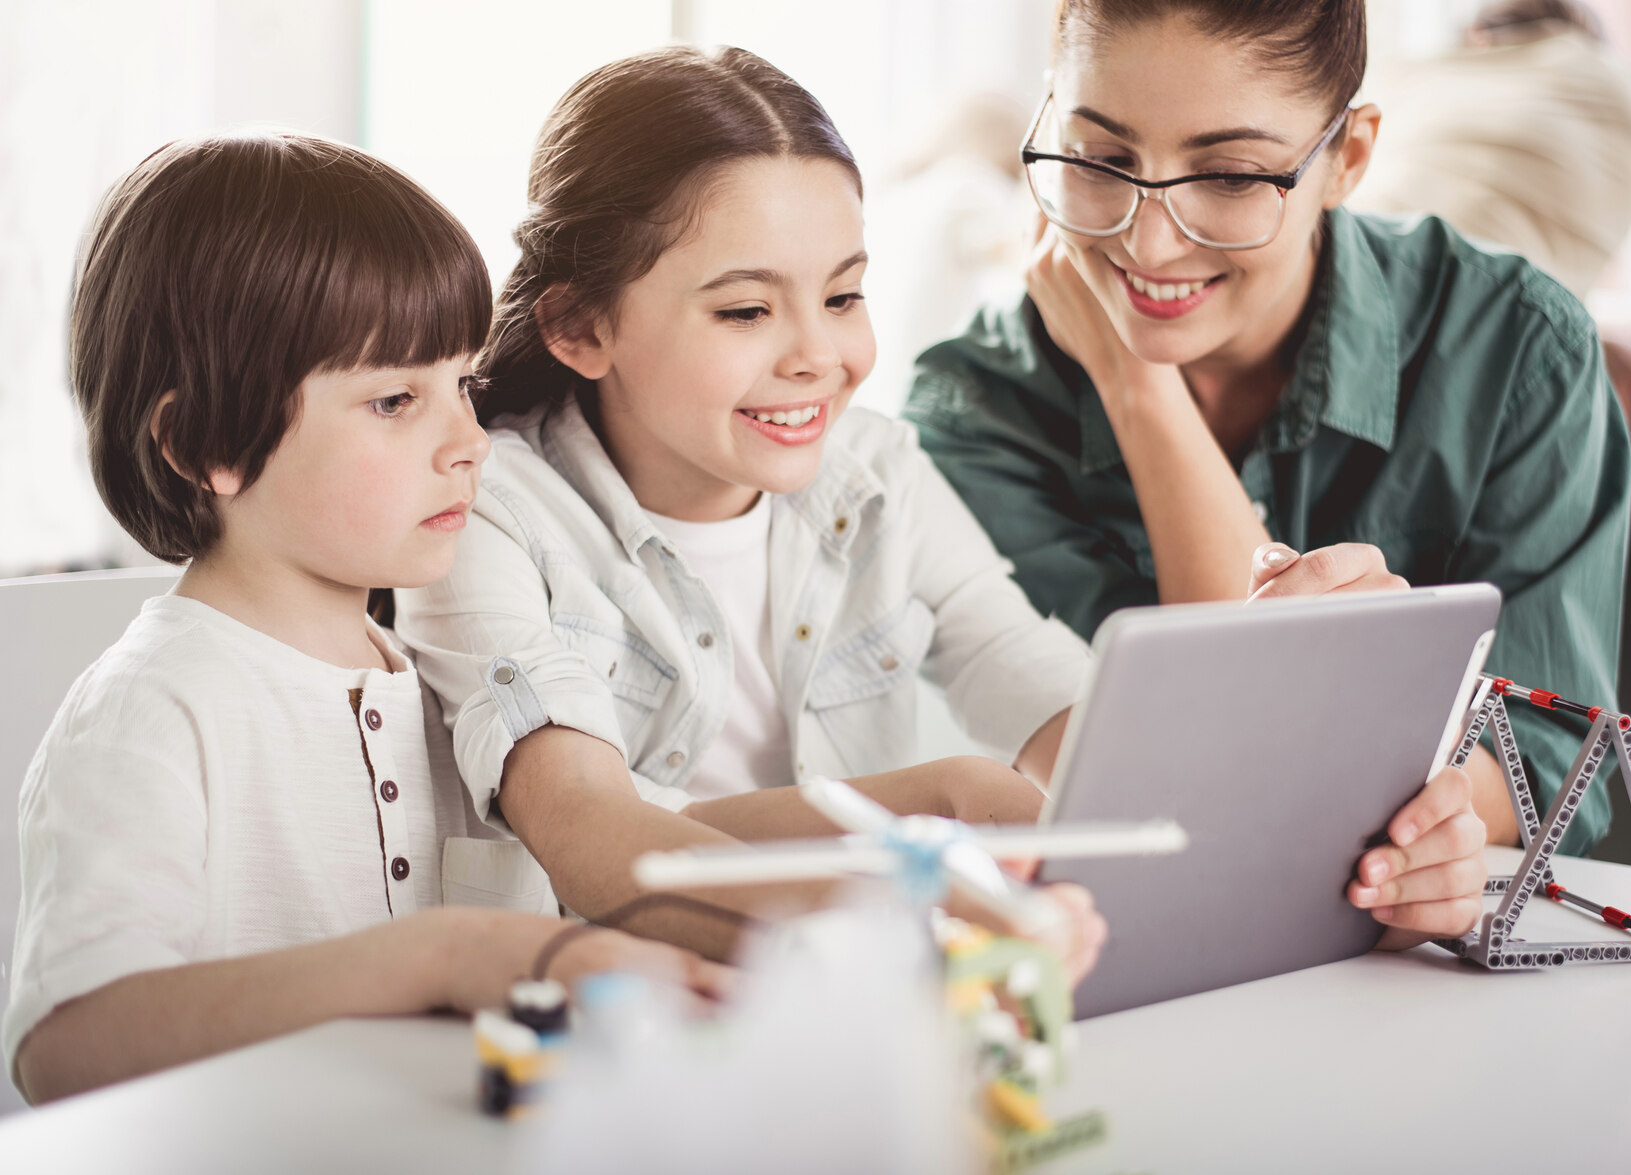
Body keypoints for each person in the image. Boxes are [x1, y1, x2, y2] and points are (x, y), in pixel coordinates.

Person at [395, 44, 1486, 968]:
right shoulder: (485, 510)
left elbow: (1057, 705)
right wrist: (923, 844)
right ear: (582, 329)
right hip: (590, 1039)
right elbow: (590, 842)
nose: (818, 356)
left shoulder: (875, 475)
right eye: (744, 309)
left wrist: (1324, 835)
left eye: (843, 295)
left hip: (849, 1032)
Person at [6, 134, 723, 1105]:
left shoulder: (443, 675)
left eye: (461, 386)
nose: (468, 443)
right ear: (202, 443)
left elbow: (641, 828)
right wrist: (439, 954)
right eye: (394, 399)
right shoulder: (154, 709)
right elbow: (67, 1042)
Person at [904, 0, 1631, 864]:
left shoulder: (1517, 350)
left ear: (1349, 157)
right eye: (1099, 157)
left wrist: (1428, 843)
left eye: (1232, 177)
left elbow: (1552, 756)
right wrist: (1139, 390)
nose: (1150, 243)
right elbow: (1198, 778)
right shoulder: (975, 407)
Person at [1351, 0, 1631, 458]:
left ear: (1478, 37)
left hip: (1323, 327)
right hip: (1462, 396)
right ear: (1588, 44)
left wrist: (1576, 329)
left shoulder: (1393, 78)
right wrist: (1582, 331)